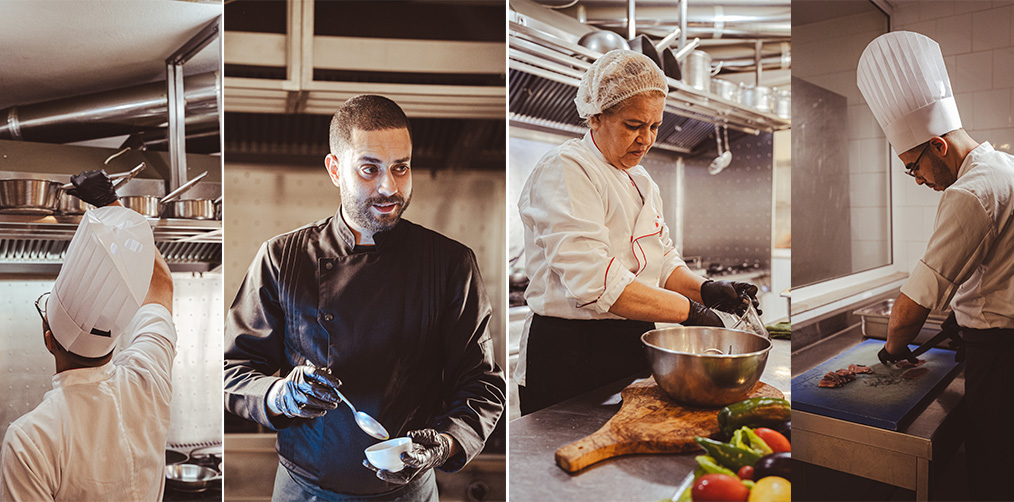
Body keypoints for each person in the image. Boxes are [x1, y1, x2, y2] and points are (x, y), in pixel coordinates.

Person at [223, 94, 505, 501]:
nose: (389, 187)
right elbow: (233, 370)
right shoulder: (284, 258)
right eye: (369, 169)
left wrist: (444, 443)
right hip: (305, 490)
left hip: (409, 492)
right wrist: (280, 395)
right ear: (335, 170)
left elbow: (482, 382)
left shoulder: (450, 264)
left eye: (401, 167)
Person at [515, 50, 761, 415]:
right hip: (571, 354)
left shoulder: (641, 180)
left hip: (633, 344)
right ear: (596, 117)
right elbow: (594, 281)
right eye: (633, 126)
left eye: (654, 126)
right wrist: (691, 312)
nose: (646, 139)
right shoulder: (567, 168)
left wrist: (707, 290)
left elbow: (662, 260)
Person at [857, 31, 1014, 501]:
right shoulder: (1005, 167)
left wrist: (892, 351)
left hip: (1000, 359)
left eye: (913, 167)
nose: (917, 179)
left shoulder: (969, 192)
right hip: (999, 346)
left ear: (938, 146)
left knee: (993, 471)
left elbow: (915, 301)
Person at [0, 171, 177, 501]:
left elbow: (160, 285)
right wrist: (110, 203)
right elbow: (162, 284)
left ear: (48, 340)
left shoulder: (29, 439)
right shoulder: (147, 377)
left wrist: (110, 206)